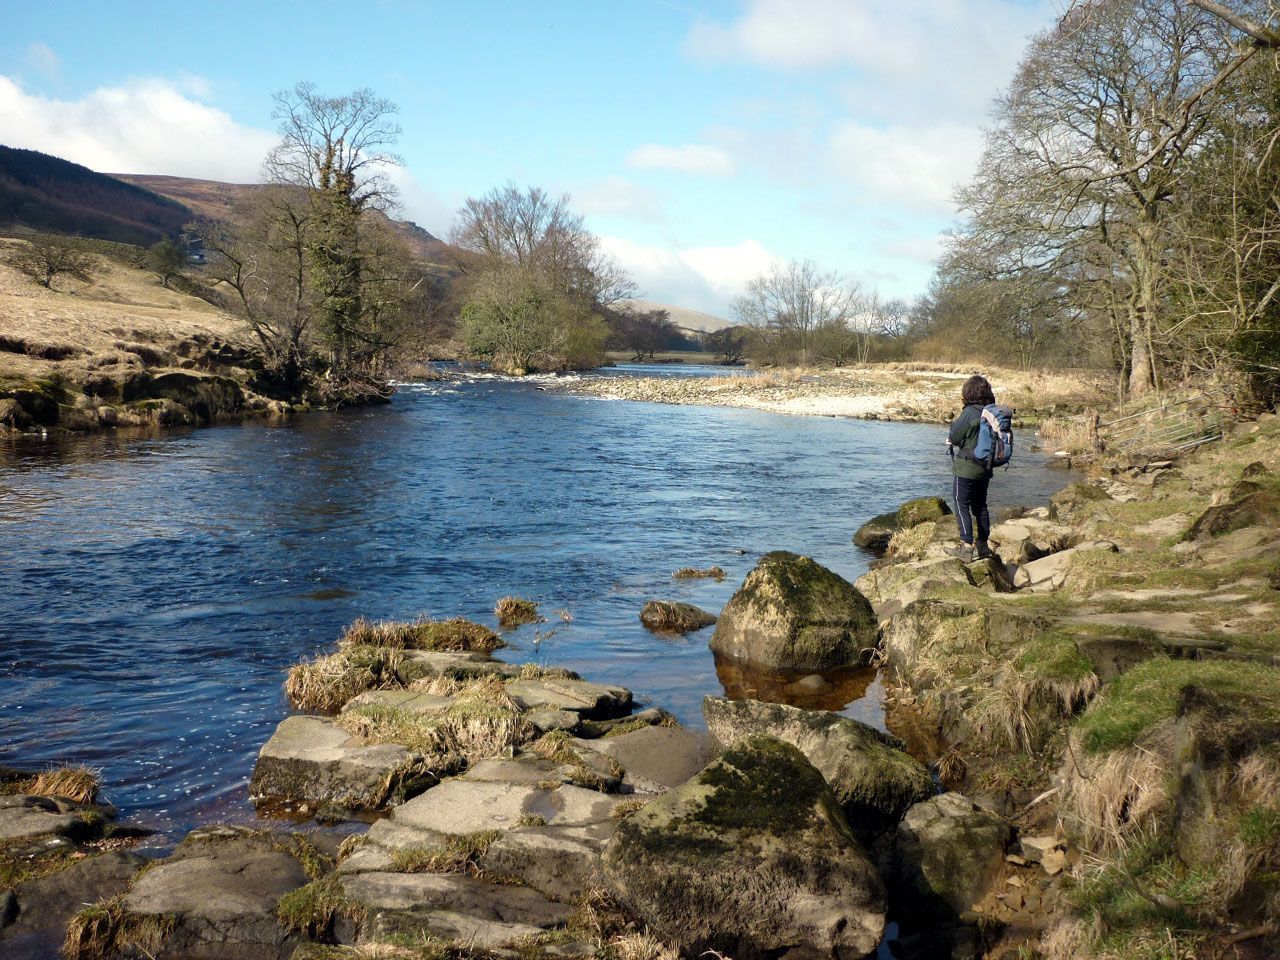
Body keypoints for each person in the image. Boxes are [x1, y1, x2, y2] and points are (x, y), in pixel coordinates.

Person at [947, 374, 998, 562]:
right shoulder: (991, 411)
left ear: (968, 393)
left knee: (961, 503)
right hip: (985, 467)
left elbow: (955, 436)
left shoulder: (969, 412)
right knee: (980, 506)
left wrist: (953, 439)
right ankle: (983, 545)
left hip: (966, 468)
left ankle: (966, 546)